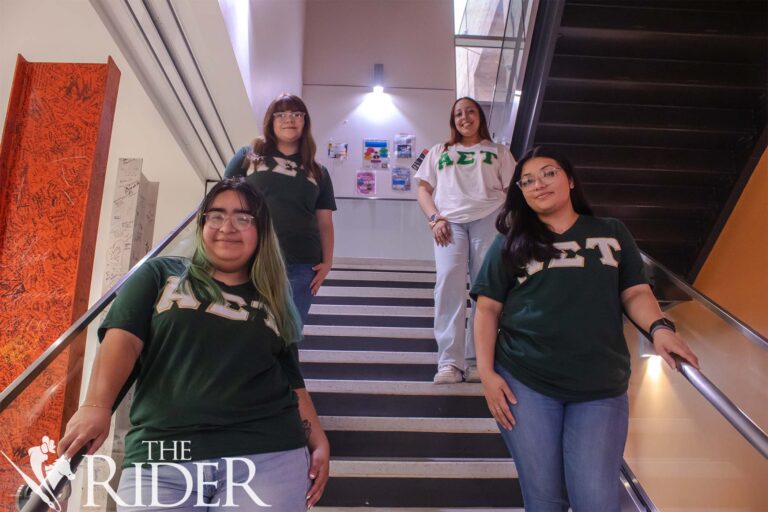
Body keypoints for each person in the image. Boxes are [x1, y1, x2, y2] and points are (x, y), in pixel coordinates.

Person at [59, 179, 330, 511]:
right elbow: (123, 338)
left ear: (261, 231)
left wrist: (318, 439)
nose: (227, 227)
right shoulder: (160, 274)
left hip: (267, 454)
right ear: (202, 225)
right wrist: (95, 407)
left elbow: (291, 380)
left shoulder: (274, 298)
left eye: (243, 218)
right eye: (216, 215)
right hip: (165, 453)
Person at [471, 146, 699, 511]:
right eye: (527, 181)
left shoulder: (610, 231)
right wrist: (485, 374)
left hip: (600, 385)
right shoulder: (510, 242)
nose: (538, 184)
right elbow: (487, 310)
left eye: (549, 173)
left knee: (597, 501)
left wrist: (659, 328)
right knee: (545, 499)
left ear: (570, 179)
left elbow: (636, 292)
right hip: (524, 383)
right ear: (521, 194)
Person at [415, 97, 515, 384]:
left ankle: (477, 361)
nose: (464, 117)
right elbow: (423, 190)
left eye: (470, 111)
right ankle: (450, 362)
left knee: (487, 292)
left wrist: (508, 225)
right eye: (458, 113)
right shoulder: (439, 151)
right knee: (448, 285)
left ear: (480, 117)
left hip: (490, 219)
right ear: (453, 121)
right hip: (449, 223)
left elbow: (513, 191)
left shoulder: (499, 151)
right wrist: (435, 219)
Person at [224, 94, 336, 325]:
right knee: (243, 330)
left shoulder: (318, 171)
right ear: (270, 121)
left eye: (296, 114)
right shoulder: (249, 156)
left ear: (304, 121)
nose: (289, 119)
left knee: (287, 335)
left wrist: (328, 262)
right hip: (251, 258)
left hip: (301, 263)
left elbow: (324, 222)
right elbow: (223, 201)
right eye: (281, 114)